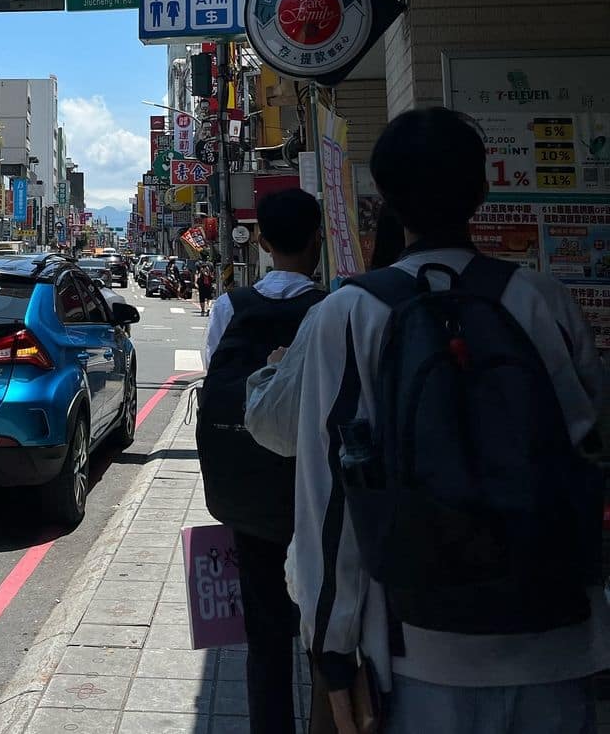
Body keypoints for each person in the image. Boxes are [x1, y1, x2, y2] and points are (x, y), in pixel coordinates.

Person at [246, 108, 609, 734]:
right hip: (558, 634)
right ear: (482, 190)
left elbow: (331, 498)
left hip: (419, 650)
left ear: (386, 201)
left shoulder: (351, 313)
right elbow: (590, 446)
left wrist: (332, 648)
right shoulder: (542, 300)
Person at [196, 188, 325, 733]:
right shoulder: (333, 307)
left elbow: (214, 374)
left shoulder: (232, 306)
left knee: (265, 636)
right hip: (317, 493)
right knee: (327, 633)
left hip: (249, 494)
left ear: (264, 242)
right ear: (318, 239)